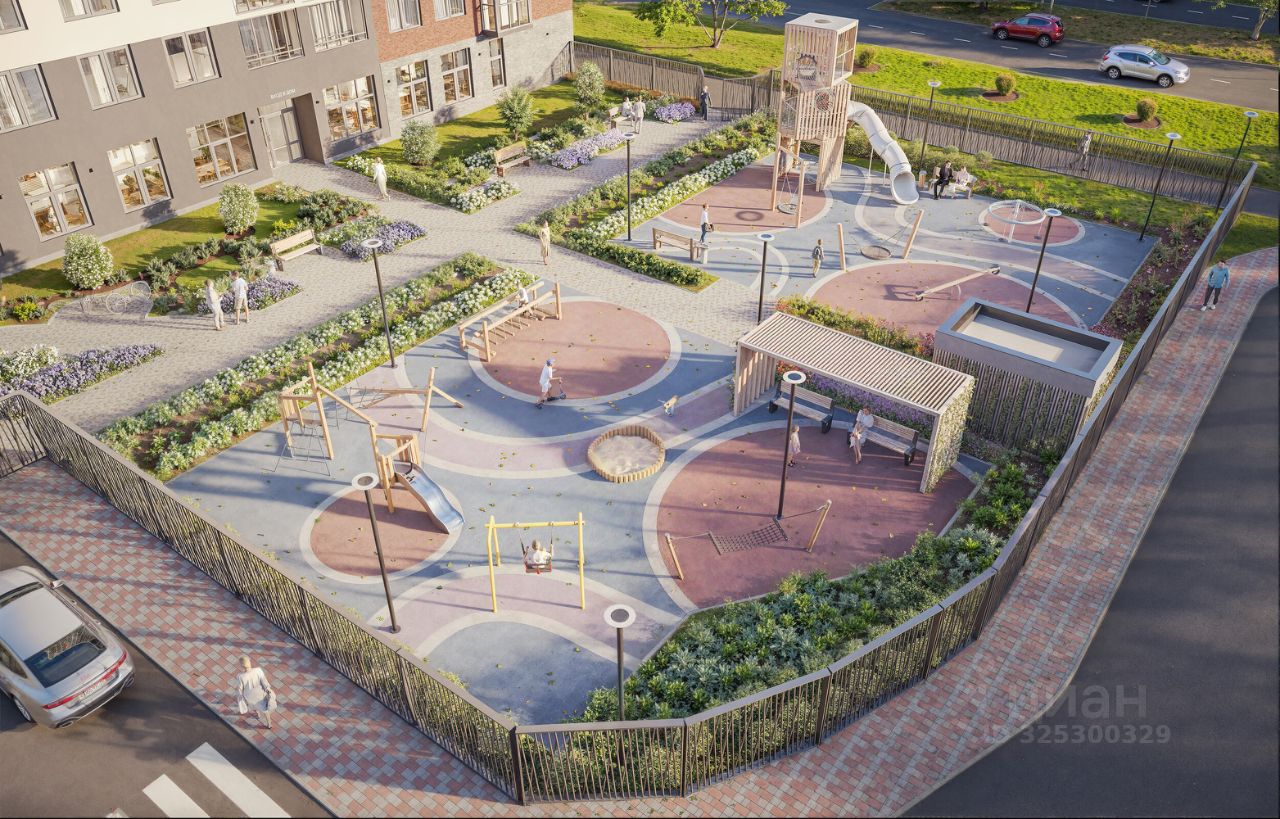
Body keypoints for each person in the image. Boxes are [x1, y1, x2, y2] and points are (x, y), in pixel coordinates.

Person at [235, 655, 276, 730]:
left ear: (242, 665)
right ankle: (269, 724)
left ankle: (258, 714)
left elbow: (240, 688)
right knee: (265, 709)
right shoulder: (258, 670)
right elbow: (264, 681)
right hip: (260, 693)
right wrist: (267, 688)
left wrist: (240, 697)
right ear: (249, 662)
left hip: (249, 696)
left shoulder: (240, 676)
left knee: (253, 705)